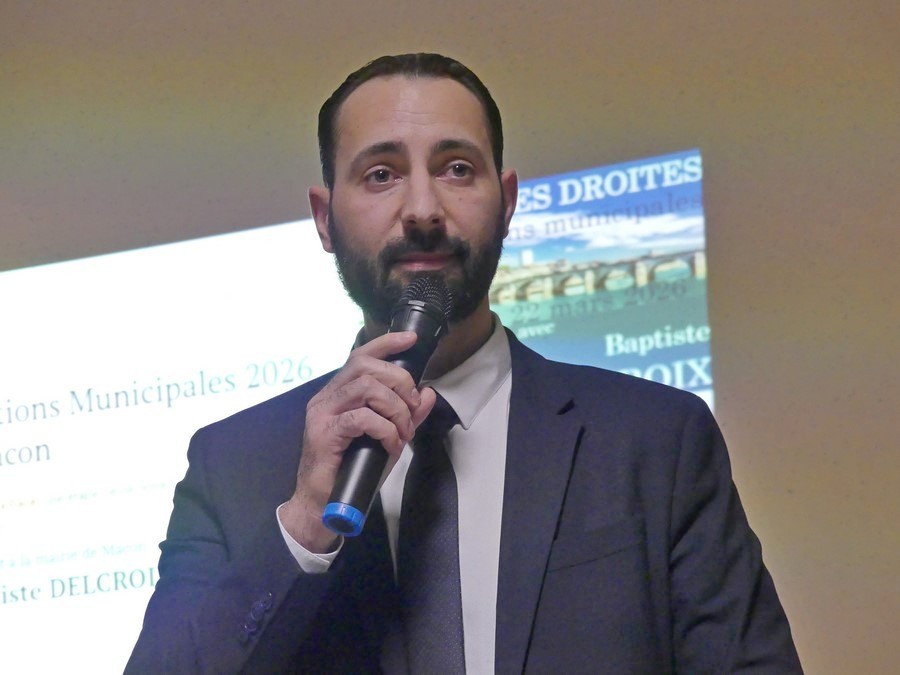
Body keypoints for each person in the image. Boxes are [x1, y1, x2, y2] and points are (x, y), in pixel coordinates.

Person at [126, 53, 802, 674]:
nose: (423, 210)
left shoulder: (656, 440)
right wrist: (304, 522)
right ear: (324, 218)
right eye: (381, 174)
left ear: (507, 202)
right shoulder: (232, 465)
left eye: (456, 169)